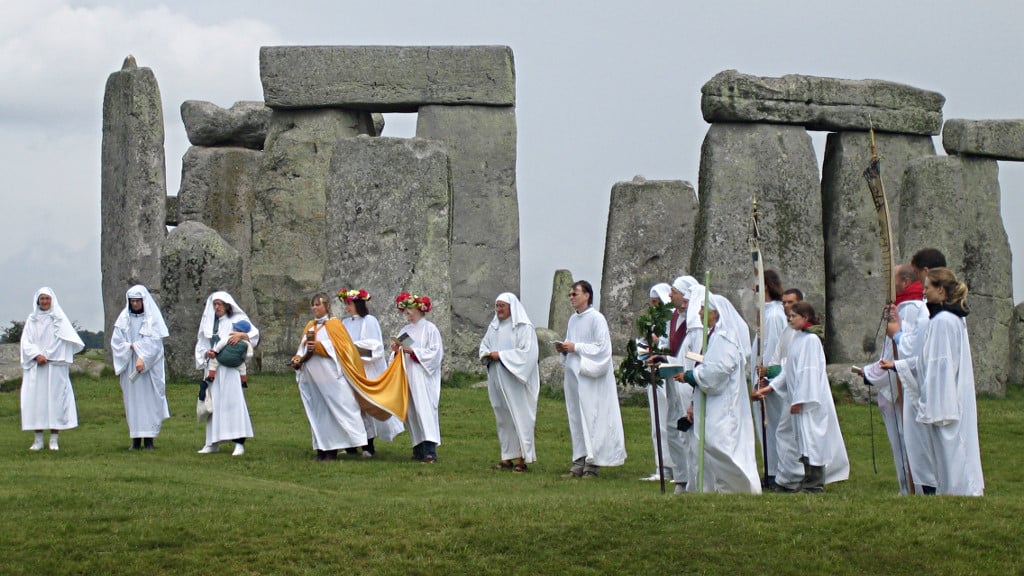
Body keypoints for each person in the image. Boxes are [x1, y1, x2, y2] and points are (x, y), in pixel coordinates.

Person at [885, 268, 984, 496]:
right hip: (946, 399)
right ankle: (953, 493)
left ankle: (960, 494)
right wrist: (899, 365)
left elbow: (939, 366)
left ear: (941, 290)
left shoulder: (943, 321)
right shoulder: (948, 318)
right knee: (946, 453)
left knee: (952, 452)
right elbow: (927, 359)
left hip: (945, 403)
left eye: (928, 287)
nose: (925, 292)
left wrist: (934, 404)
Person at [755, 301, 849, 493]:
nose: (790, 319)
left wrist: (800, 400)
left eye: (794, 316)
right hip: (798, 399)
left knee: (812, 439)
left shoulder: (812, 341)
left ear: (805, 318)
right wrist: (771, 387)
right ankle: (803, 479)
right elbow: (788, 369)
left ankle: (815, 483)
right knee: (802, 441)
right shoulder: (798, 338)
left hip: (809, 402)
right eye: (789, 316)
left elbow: (809, 373)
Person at [681, 291, 761, 494]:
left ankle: (736, 487)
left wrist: (691, 376)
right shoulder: (714, 336)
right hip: (713, 401)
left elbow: (715, 373)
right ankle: (718, 486)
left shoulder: (724, 338)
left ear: (715, 313)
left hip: (722, 403)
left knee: (720, 442)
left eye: (703, 309)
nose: (699, 312)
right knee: (710, 442)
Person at [884, 247, 947, 494]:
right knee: (916, 439)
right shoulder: (933, 311)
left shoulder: (928, 313)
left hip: (926, 385)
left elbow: (916, 348)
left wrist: (897, 333)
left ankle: (930, 489)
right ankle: (926, 488)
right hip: (922, 379)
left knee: (922, 440)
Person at [861, 264, 924, 494]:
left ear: (905, 282)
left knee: (905, 439)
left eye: (893, 280)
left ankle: (910, 487)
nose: (889, 285)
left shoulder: (909, 309)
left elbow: (899, 348)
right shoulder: (907, 307)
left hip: (903, 384)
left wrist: (870, 374)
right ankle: (909, 486)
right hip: (899, 379)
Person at [555, 280, 627, 478]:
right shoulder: (572, 319)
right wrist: (564, 349)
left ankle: (593, 464)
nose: (571, 297)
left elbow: (603, 349)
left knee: (593, 417)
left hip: (592, 377)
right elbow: (571, 343)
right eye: (569, 294)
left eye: (574, 293)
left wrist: (576, 347)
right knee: (576, 418)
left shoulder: (597, 319)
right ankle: (579, 460)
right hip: (575, 376)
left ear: (587, 295)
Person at [290, 293, 370, 461]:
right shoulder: (310, 326)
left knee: (335, 411)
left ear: (327, 306)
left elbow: (343, 349)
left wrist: (320, 347)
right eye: (313, 305)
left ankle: (334, 449)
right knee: (318, 412)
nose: (315, 308)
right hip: (313, 379)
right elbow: (302, 348)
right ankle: (321, 449)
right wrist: (297, 359)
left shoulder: (335, 324)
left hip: (331, 378)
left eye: (318, 304)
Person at [479, 292, 540, 472]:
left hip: (516, 383)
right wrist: (486, 355)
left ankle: (522, 459)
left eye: (501, 306)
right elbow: (484, 345)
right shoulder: (494, 326)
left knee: (519, 417)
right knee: (503, 418)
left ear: (511, 307)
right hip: (498, 379)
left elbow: (527, 354)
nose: (498, 310)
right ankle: (507, 457)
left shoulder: (524, 328)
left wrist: (501, 356)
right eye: (496, 306)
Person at [339, 288, 404, 457]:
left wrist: (354, 349)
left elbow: (375, 347)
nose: (347, 307)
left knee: (367, 407)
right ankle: (351, 444)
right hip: (350, 370)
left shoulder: (370, 321)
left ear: (358, 304)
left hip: (366, 371)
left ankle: (368, 446)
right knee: (350, 407)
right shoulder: (345, 323)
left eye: (350, 304)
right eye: (346, 304)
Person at [194, 291, 258, 456]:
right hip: (214, 370)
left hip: (230, 370)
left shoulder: (237, 320)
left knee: (233, 403)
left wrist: (242, 335)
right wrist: (206, 354)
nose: (217, 307)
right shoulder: (210, 323)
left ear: (227, 305)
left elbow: (254, 334)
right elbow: (202, 343)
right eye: (215, 304)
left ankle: (239, 443)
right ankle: (212, 442)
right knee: (214, 406)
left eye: (220, 304)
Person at [20, 287, 84, 451]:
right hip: (37, 367)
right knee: (37, 401)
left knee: (55, 401)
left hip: (54, 366)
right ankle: (38, 439)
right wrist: (36, 355)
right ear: (37, 301)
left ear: (52, 300)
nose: (44, 302)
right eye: (42, 299)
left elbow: (62, 340)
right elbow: (26, 341)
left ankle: (54, 439)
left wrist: (47, 355)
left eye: (47, 298)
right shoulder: (32, 319)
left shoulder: (59, 318)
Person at [109, 285, 170, 450]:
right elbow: (116, 342)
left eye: (138, 301)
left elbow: (156, 344)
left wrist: (143, 357)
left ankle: (149, 440)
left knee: (149, 402)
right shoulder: (124, 319)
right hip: (130, 364)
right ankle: (135, 440)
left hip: (148, 369)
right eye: (132, 301)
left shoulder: (152, 320)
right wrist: (131, 348)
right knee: (133, 403)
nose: (135, 304)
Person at [391, 291, 444, 463]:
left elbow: (435, 353)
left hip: (422, 376)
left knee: (425, 410)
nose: (408, 315)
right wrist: (396, 351)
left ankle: (430, 451)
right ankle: (418, 448)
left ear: (419, 310)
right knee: (411, 411)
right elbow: (399, 352)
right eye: (406, 312)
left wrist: (414, 352)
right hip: (408, 375)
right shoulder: (405, 330)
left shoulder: (430, 329)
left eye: (410, 311)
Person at [751, 269, 787, 488]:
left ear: (765, 286)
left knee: (772, 424)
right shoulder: (767, 313)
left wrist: (765, 378)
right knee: (767, 426)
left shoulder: (773, 316)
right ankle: (772, 469)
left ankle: (776, 472)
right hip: (763, 378)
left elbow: (773, 349)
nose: (751, 289)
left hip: (770, 382)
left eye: (755, 285)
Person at [639, 282, 675, 482]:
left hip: (668, 374)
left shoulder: (671, 320)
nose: (654, 306)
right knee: (657, 422)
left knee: (669, 419)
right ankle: (661, 466)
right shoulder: (655, 321)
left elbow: (671, 346)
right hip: (654, 372)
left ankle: (674, 467)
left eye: (657, 302)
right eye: (651, 303)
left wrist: (657, 344)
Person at [202, 319, 253, 388]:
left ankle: (211, 376)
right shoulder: (247, 343)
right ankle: (243, 381)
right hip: (236, 362)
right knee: (243, 368)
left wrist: (215, 352)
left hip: (223, 358)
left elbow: (220, 344)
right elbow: (250, 354)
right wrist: (245, 360)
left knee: (213, 361)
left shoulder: (229, 337)